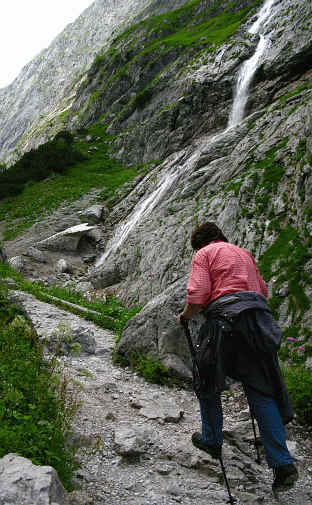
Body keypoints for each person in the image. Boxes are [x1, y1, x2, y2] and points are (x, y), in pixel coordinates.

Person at [178, 222, 298, 492]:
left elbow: (198, 295)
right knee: (260, 390)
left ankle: (211, 439)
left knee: (207, 379)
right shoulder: (244, 253)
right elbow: (263, 290)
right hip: (258, 322)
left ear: (200, 244)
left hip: (225, 321)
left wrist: (184, 316)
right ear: (221, 235)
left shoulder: (204, 254)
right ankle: (282, 463)